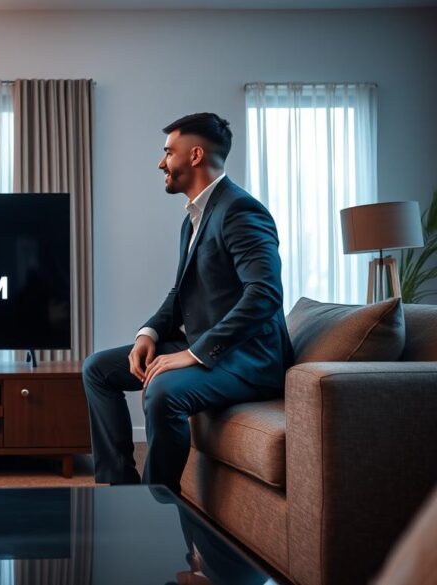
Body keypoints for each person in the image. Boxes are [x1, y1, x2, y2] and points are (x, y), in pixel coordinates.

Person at [82, 113, 292, 493]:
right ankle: (122, 491)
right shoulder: (194, 217)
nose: (161, 163)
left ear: (195, 155)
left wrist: (194, 354)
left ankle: (152, 505)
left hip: (248, 359)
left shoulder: (240, 210)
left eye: (168, 152)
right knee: (98, 369)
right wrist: (148, 333)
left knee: (163, 391)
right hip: (208, 347)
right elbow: (181, 292)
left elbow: (264, 293)